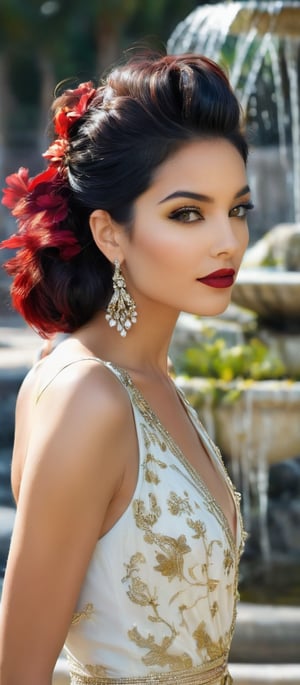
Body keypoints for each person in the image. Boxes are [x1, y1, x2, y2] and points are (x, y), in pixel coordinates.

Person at [0, 51, 252, 685]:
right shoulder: (88, 394)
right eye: (188, 213)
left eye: (238, 209)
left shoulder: (155, 382)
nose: (226, 239)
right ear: (110, 234)